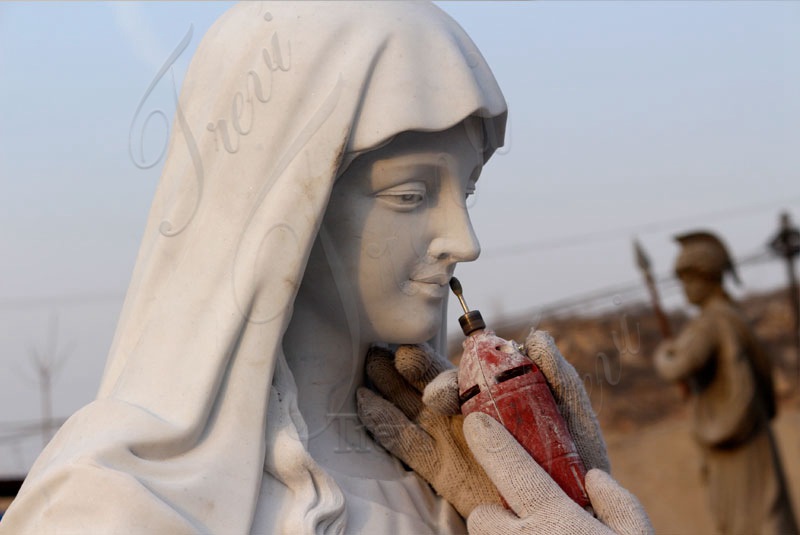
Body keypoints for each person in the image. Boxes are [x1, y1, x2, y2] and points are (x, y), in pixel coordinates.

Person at [1, 2, 651, 533]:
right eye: (412, 194)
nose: (465, 239)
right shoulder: (116, 501)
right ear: (281, 206)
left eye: (468, 191)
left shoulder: (464, 496)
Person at [655, 230, 797, 535]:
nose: (685, 289)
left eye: (688, 280)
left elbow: (678, 366)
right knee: (765, 508)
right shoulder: (733, 316)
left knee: (751, 516)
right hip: (751, 433)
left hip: (735, 440)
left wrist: (664, 354)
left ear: (707, 276)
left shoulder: (712, 322)